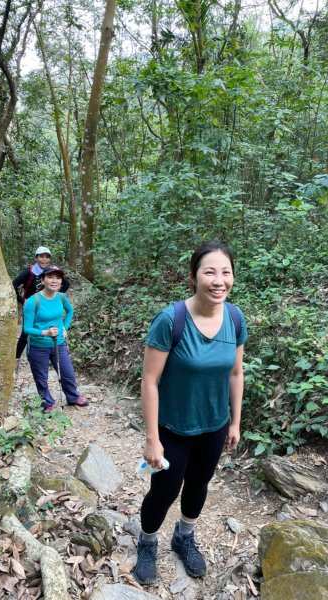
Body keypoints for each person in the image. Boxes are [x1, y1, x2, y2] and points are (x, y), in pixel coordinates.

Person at [132, 241, 248, 585]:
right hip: (173, 428)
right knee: (164, 492)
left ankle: (184, 536)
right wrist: (152, 439)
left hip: (214, 426)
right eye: (209, 272)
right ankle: (147, 542)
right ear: (194, 276)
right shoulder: (171, 320)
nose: (218, 280)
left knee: (199, 485)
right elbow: (150, 381)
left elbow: (236, 373)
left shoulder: (235, 318)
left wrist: (235, 422)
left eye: (225, 272)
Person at [23, 265, 87, 412]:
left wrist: (64, 327)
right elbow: (27, 328)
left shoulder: (61, 297)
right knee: (41, 377)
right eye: (50, 277)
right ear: (43, 280)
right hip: (38, 346)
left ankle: (73, 397)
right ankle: (47, 402)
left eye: (58, 278)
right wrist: (45, 332)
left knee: (67, 372)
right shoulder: (33, 301)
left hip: (59, 343)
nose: (54, 280)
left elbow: (70, 311)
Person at [13, 246, 70, 359]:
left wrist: (56, 297)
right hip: (31, 306)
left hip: (47, 306)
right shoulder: (28, 272)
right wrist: (22, 301)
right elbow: (13, 285)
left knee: (50, 328)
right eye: (41, 256)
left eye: (47, 257)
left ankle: (49, 355)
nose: (44, 259)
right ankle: (16, 358)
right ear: (36, 258)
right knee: (26, 333)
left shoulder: (52, 271)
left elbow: (66, 284)